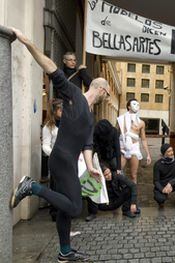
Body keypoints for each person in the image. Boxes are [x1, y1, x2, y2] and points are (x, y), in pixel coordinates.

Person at [10, 27, 110, 262]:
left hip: (69, 163)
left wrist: (91, 167)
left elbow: (87, 145)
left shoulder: (91, 116)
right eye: (107, 93)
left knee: (67, 208)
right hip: (61, 158)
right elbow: (50, 67)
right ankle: (31, 187)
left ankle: (65, 252)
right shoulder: (74, 95)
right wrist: (27, 42)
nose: (107, 96)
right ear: (102, 89)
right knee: (75, 207)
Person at [85, 119, 139, 221]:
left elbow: (117, 150)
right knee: (93, 181)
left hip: (112, 157)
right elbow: (94, 150)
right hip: (100, 158)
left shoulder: (113, 131)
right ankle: (92, 211)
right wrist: (101, 168)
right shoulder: (95, 133)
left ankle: (131, 206)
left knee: (123, 182)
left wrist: (118, 168)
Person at [117, 98, 151, 182]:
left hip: (134, 148)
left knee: (133, 175)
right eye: (134, 104)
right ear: (128, 107)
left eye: (138, 104)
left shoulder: (141, 123)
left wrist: (148, 154)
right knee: (118, 172)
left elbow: (143, 139)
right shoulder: (121, 119)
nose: (137, 106)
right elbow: (115, 134)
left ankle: (133, 194)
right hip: (123, 147)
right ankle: (119, 192)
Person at [41, 98, 63, 221]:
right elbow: (45, 145)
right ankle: (55, 212)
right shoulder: (48, 127)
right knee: (55, 187)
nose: (63, 111)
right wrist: (55, 154)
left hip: (67, 160)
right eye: (60, 109)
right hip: (55, 161)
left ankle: (64, 210)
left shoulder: (66, 123)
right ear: (54, 110)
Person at [153, 144, 175, 211]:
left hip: (173, 183)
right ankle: (161, 202)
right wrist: (162, 189)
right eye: (169, 151)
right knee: (160, 198)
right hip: (163, 185)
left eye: (172, 150)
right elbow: (156, 181)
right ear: (164, 154)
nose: (172, 153)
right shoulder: (158, 164)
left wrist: (170, 183)